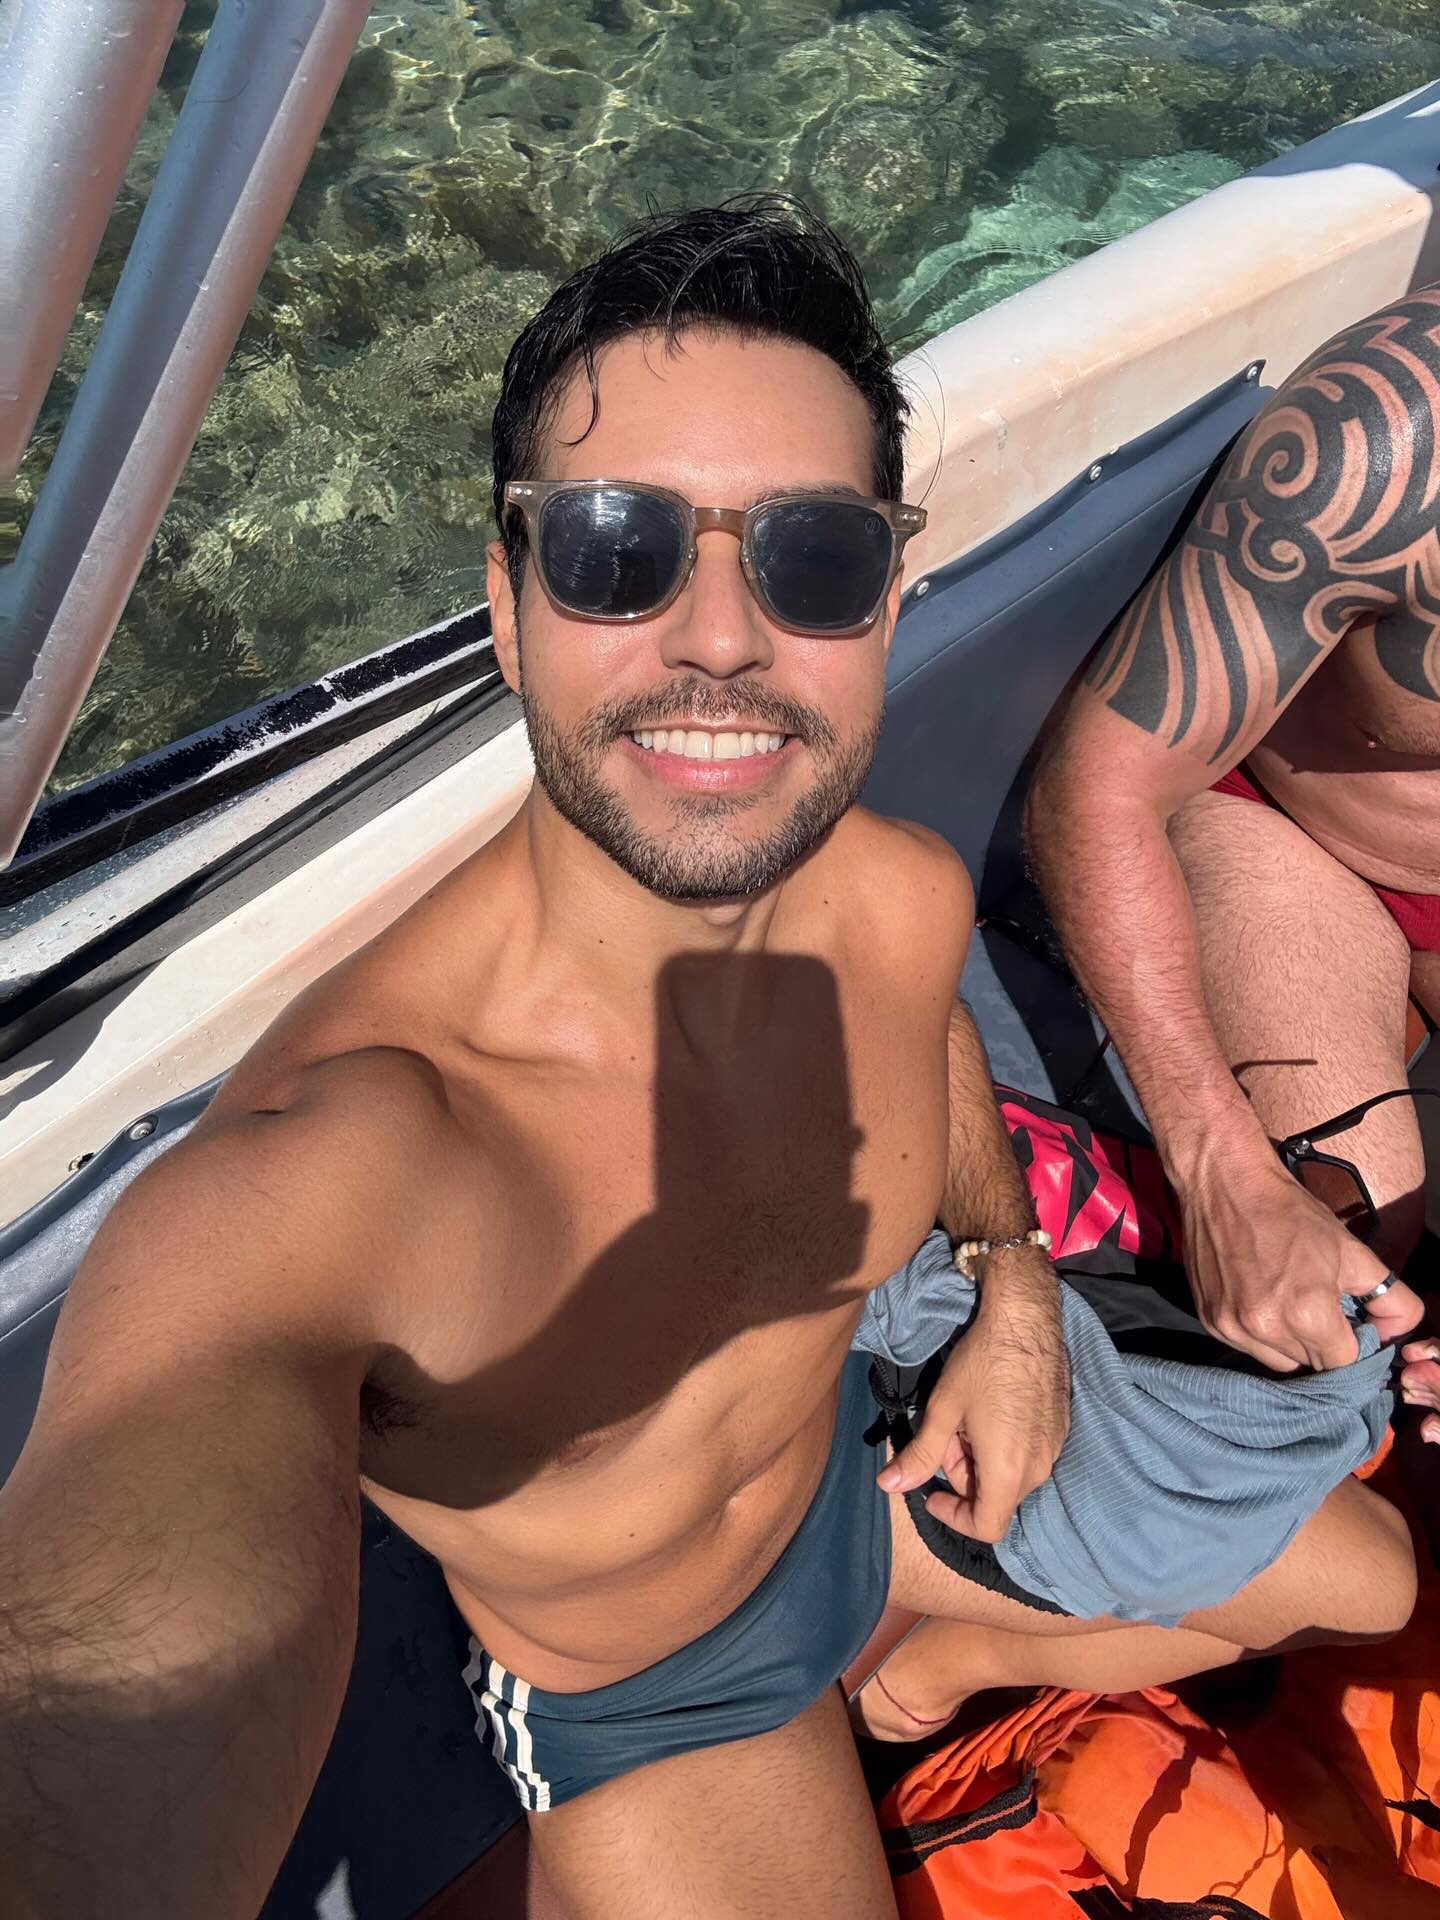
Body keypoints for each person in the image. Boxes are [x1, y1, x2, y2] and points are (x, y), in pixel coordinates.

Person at [0, 204, 1417, 1920]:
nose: (722, 639)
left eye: (811, 557)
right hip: (663, 1689)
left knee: (1376, 1583)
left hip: (864, 1475)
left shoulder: (890, 897)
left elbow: (929, 1043)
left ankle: (921, 1679)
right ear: (509, 603)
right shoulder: (337, 1175)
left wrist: (1011, 1284)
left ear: (885, 599)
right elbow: (110, 1688)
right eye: (618, 550)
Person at [1028, 288, 1440, 1438]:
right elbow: (1098, 785)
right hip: (1299, 825)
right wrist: (1222, 1175)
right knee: (1348, 1256)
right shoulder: (1391, 437)